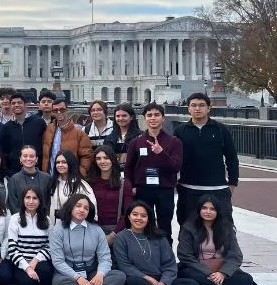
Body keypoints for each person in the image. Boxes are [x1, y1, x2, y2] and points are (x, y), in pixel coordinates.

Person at [113, 201, 205, 285]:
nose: (139, 218)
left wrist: (164, 282)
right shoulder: (121, 237)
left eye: (143, 216)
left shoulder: (158, 237)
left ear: (149, 218)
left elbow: (169, 263)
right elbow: (124, 266)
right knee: (134, 282)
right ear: (128, 216)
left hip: (160, 279)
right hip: (140, 279)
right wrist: (148, 278)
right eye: (135, 214)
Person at [176, 195, 263, 285]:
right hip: (197, 270)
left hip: (220, 268)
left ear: (218, 211)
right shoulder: (188, 228)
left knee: (246, 280)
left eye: (212, 209)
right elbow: (185, 255)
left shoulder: (227, 228)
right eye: (204, 208)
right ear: (199, 210)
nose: (208, 212)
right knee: (191, 280)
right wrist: (208, 273)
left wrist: (222, 273)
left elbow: (235, 255)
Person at [49, 194, 127, 285]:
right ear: (70, 207)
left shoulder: (97, 230)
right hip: (68, 272)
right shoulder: (58, 230)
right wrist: (78, 278)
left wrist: (100, 275)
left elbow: (105, 258)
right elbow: (58, 261)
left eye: (86, 208)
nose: (82, 210)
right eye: (78, 206)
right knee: (59, 283)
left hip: (91, 271)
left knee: (119, 276)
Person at [174, 92, 239, 226]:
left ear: (208, 108)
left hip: (217, 188)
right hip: (189, 188)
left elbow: (232, 158)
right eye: (194, 105)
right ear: (189, 108)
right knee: (187, 228)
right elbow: (173, 159)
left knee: (223, 228)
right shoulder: (180, 131)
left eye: (201, 105)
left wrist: (232, 183)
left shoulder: (221, 130)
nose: (197, 109)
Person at [125, 102, 183, 241]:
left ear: (163, 118)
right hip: (143, 189)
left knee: (164, 227)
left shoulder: (174, 142)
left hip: (165, 189)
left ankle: (165, 257)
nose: (153, 118)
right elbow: (129, 167)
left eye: (157, 115)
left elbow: (176, 167)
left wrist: (161, 153)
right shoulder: (136, 142)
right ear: (145, 118)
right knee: (143, 225)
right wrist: (131, 186)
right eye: (149, 115)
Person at [6, 187, 53, 285]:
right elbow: (12, 248)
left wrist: (35, 260)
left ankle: (35, 279)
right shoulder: (15, 219)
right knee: (27, 284)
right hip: (21, 261)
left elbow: (50, 245)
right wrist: (27, 267)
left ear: (40, 201)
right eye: (27, 197)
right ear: (23, 200)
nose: (31, 201)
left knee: (48, 275)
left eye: (35, 198)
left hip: (39, 261)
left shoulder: (47, 220)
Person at [88, 145, 133, 245]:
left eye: (106, 158)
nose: (102, 161)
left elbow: (128, 213)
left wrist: (113, 235)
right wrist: (98, 233)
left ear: (113, 159)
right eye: (98, 158)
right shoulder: (90, 184)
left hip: (119, 232)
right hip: (94, 231)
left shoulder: (124, 184)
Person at [42, 99, 92, 176]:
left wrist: (80, 174)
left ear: (67, 110)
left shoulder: (79, 133)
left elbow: (87, 156)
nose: (59, 112)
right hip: (50, 177)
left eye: (62, 109)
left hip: (69, 178)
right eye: (55, 110)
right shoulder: (48, 130)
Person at [0, 92, 47, 175]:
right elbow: (5, 151)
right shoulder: (7, 127)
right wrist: (8, 171)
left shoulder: (39, 122)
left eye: (20, 102)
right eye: (13, 103)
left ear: (25, 105)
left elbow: (45, 144)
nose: (16, 105)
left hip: (37, 170)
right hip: (15, 172)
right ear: (10, 106)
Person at [48, 150, 97, 227]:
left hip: (75, 228)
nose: (60, 165)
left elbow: (92, 208)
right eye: (58, 162)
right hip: (55, 227)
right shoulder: (53, 183)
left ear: (71, 163)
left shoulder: (81, 185)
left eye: (64, 162)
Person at [6, 145, 52, 214]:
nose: (28, 159)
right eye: (25, 156)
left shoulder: (47, 178)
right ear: (20, 159)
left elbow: (49, 202)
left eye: (31, 156)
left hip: (43, 220)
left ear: (36, 159)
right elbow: (13, 205)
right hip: (21, 221)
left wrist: (44, 218)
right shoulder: (14, 179)